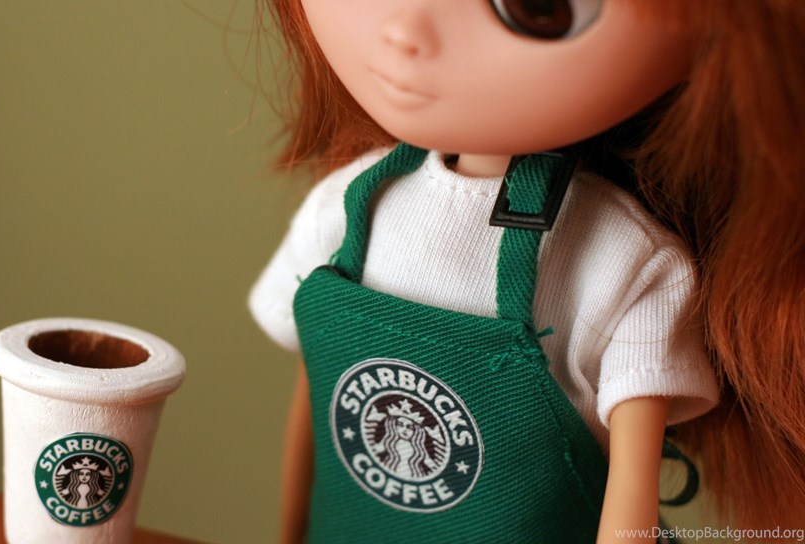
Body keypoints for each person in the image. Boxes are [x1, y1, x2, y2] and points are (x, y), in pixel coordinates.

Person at [249, 1, 805, 542]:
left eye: (537, 8)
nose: (405, 30)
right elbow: (317, 397)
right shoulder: (343, 209)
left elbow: (630, 494)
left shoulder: (619, 262)